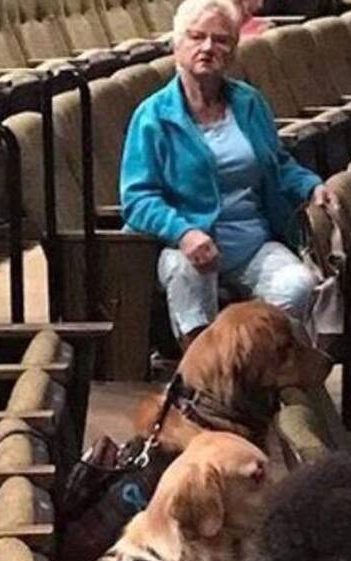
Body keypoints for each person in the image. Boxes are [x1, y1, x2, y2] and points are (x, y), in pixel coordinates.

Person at [120, 0, 334, 350]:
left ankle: (251, 362)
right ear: (176, 45)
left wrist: (310, 186)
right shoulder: (153, 116)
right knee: (186, 271)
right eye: (197, 37)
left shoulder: (249, 102)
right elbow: (137, 199)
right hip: (184, 244)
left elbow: (277, 164)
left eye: (220, 40)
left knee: (298, 284)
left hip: (252, 242)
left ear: (233, 50)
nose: (207, 47)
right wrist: (183, 232)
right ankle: (203, 369)